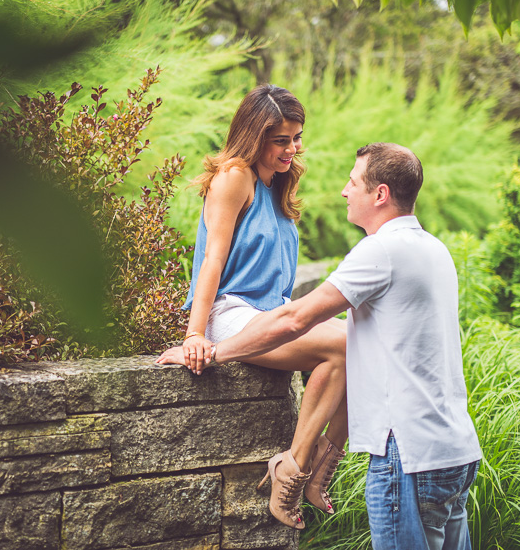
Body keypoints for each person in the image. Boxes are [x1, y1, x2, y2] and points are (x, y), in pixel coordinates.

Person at [183, 142, 483, 550]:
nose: (344, 190)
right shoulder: (434, 249)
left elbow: (294, 319)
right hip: (456, 454)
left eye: (353, 181)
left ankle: (295, 466)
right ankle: (310, 462)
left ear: (380, 195)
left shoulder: (380, 251)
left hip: (408, 458)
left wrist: (212, 349)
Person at [155, 84, 349, 530]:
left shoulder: (278, 181)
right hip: (234, 315)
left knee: (360, 343)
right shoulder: (234, 176)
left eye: (296, 138)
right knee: (342, 342)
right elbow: (212, 259)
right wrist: (194, 334)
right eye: (281, 139)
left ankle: (319, 468)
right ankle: (295, 470)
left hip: (271, 312)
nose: (292, 148)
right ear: (254, 134)